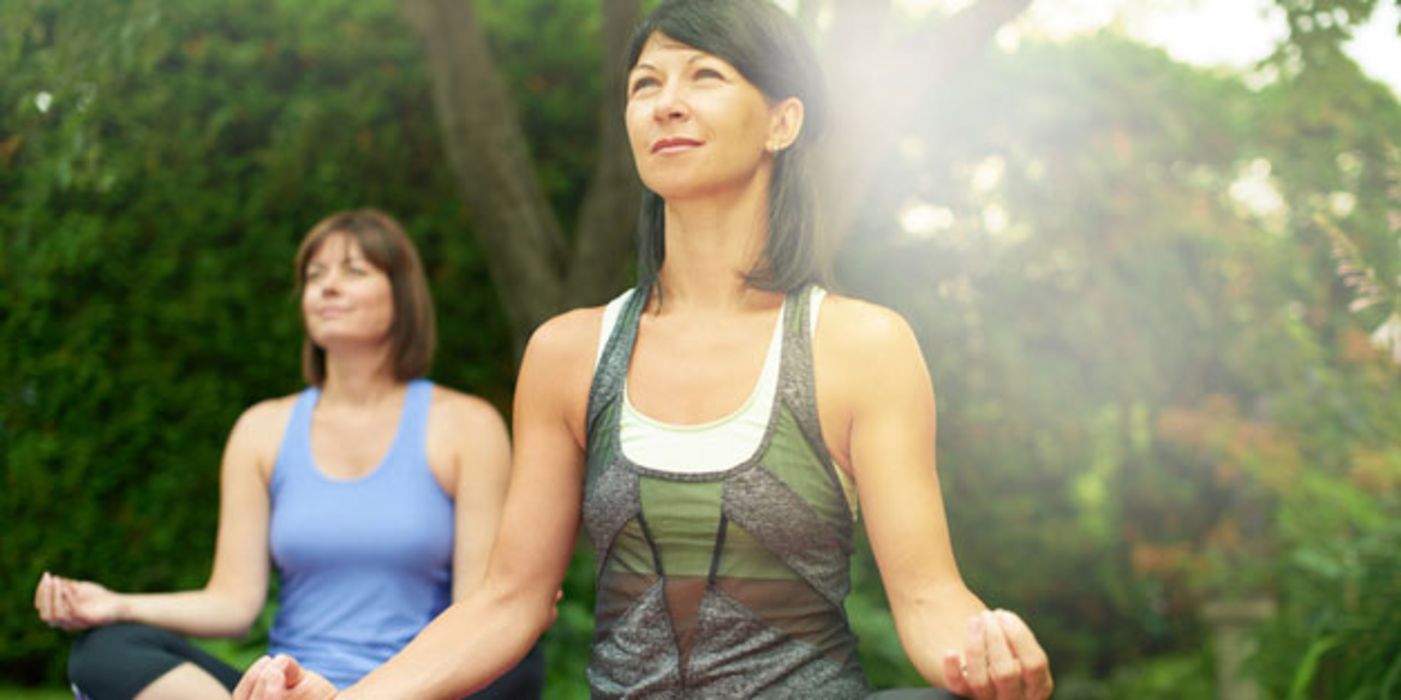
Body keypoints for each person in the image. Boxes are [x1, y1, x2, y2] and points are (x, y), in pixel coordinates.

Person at [236, 2, 1055, 698]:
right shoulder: (568, 353)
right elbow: (508, 601)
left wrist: (988, 657)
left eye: (704, 76)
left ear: (782, 119)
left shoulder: (860, 345)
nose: (665, 104)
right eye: (643, 85)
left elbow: (927, 600)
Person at [33, 209, 544, 700]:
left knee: (518, 657)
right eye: (315, 274)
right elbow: (233, 601)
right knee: (106, 650)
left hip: (414, 689)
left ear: (402, 294)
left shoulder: (466, 426)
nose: (327, 286)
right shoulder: (262, 430)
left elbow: (480, 610)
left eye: (354, 270)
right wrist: (116, 604)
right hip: (285, 689)